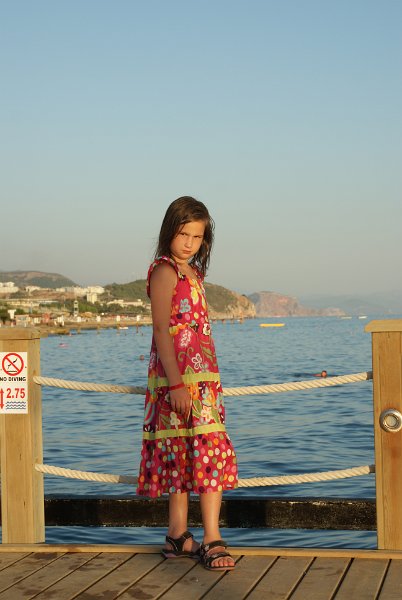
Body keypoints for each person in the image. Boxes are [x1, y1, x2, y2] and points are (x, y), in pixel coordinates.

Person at [137, 196, 238, 571]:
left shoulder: (193, 273)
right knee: (205, 452)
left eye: (197, 237)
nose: (189, 243)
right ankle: (212, 537)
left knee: (189, 453)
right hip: (179, 382)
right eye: (183, 234)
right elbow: (161, 329)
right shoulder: (165, 271)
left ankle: (178, 535)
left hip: (203, 382)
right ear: (169, 232)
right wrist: (177, 384)